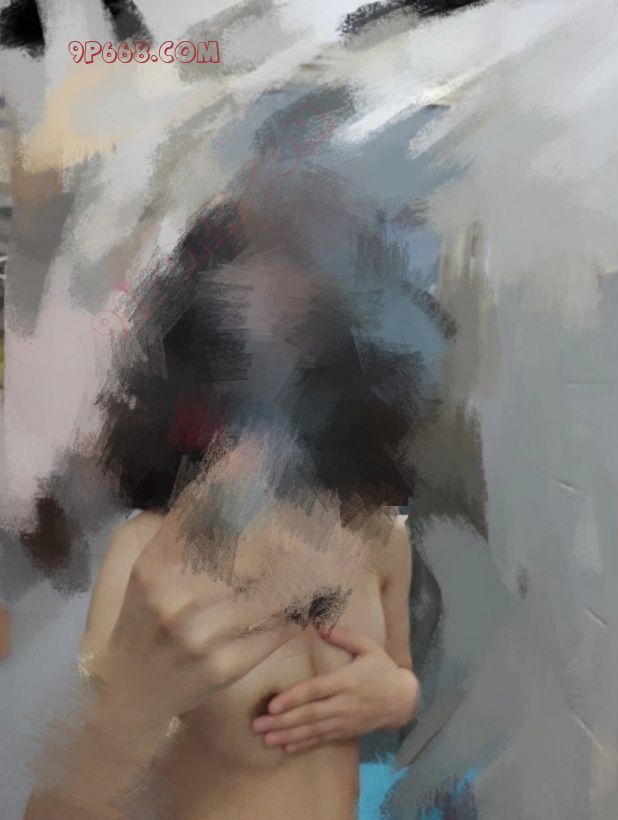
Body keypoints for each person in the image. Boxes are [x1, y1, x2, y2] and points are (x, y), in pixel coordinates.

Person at [25, 186, 444, 819]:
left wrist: (399, 695)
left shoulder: (379, 537)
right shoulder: (148, 560)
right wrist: (128, 712)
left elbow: (401, 672)